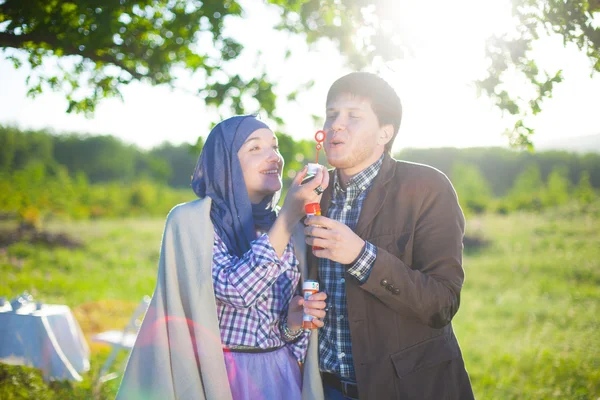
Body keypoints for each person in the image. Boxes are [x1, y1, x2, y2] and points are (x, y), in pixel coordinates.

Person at [117, 115, 328, 400]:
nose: (275, 157)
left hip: (280, 376)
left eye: (275, 147)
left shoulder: (291, 229)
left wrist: (292, 325)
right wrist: (289, 216)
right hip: (219, 378)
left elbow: (283, 334)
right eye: (255, 148)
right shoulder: (193, 221)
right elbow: (236, 291)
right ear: (225, 163)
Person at [304, 72, 475, 400]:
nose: (336, 125)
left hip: (407, 388)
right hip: (325, 389)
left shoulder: (426, 188)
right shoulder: (311, 194)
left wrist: (360, 256)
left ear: (385, 132)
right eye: (331, 115)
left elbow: (441, 303)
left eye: (353, 116)